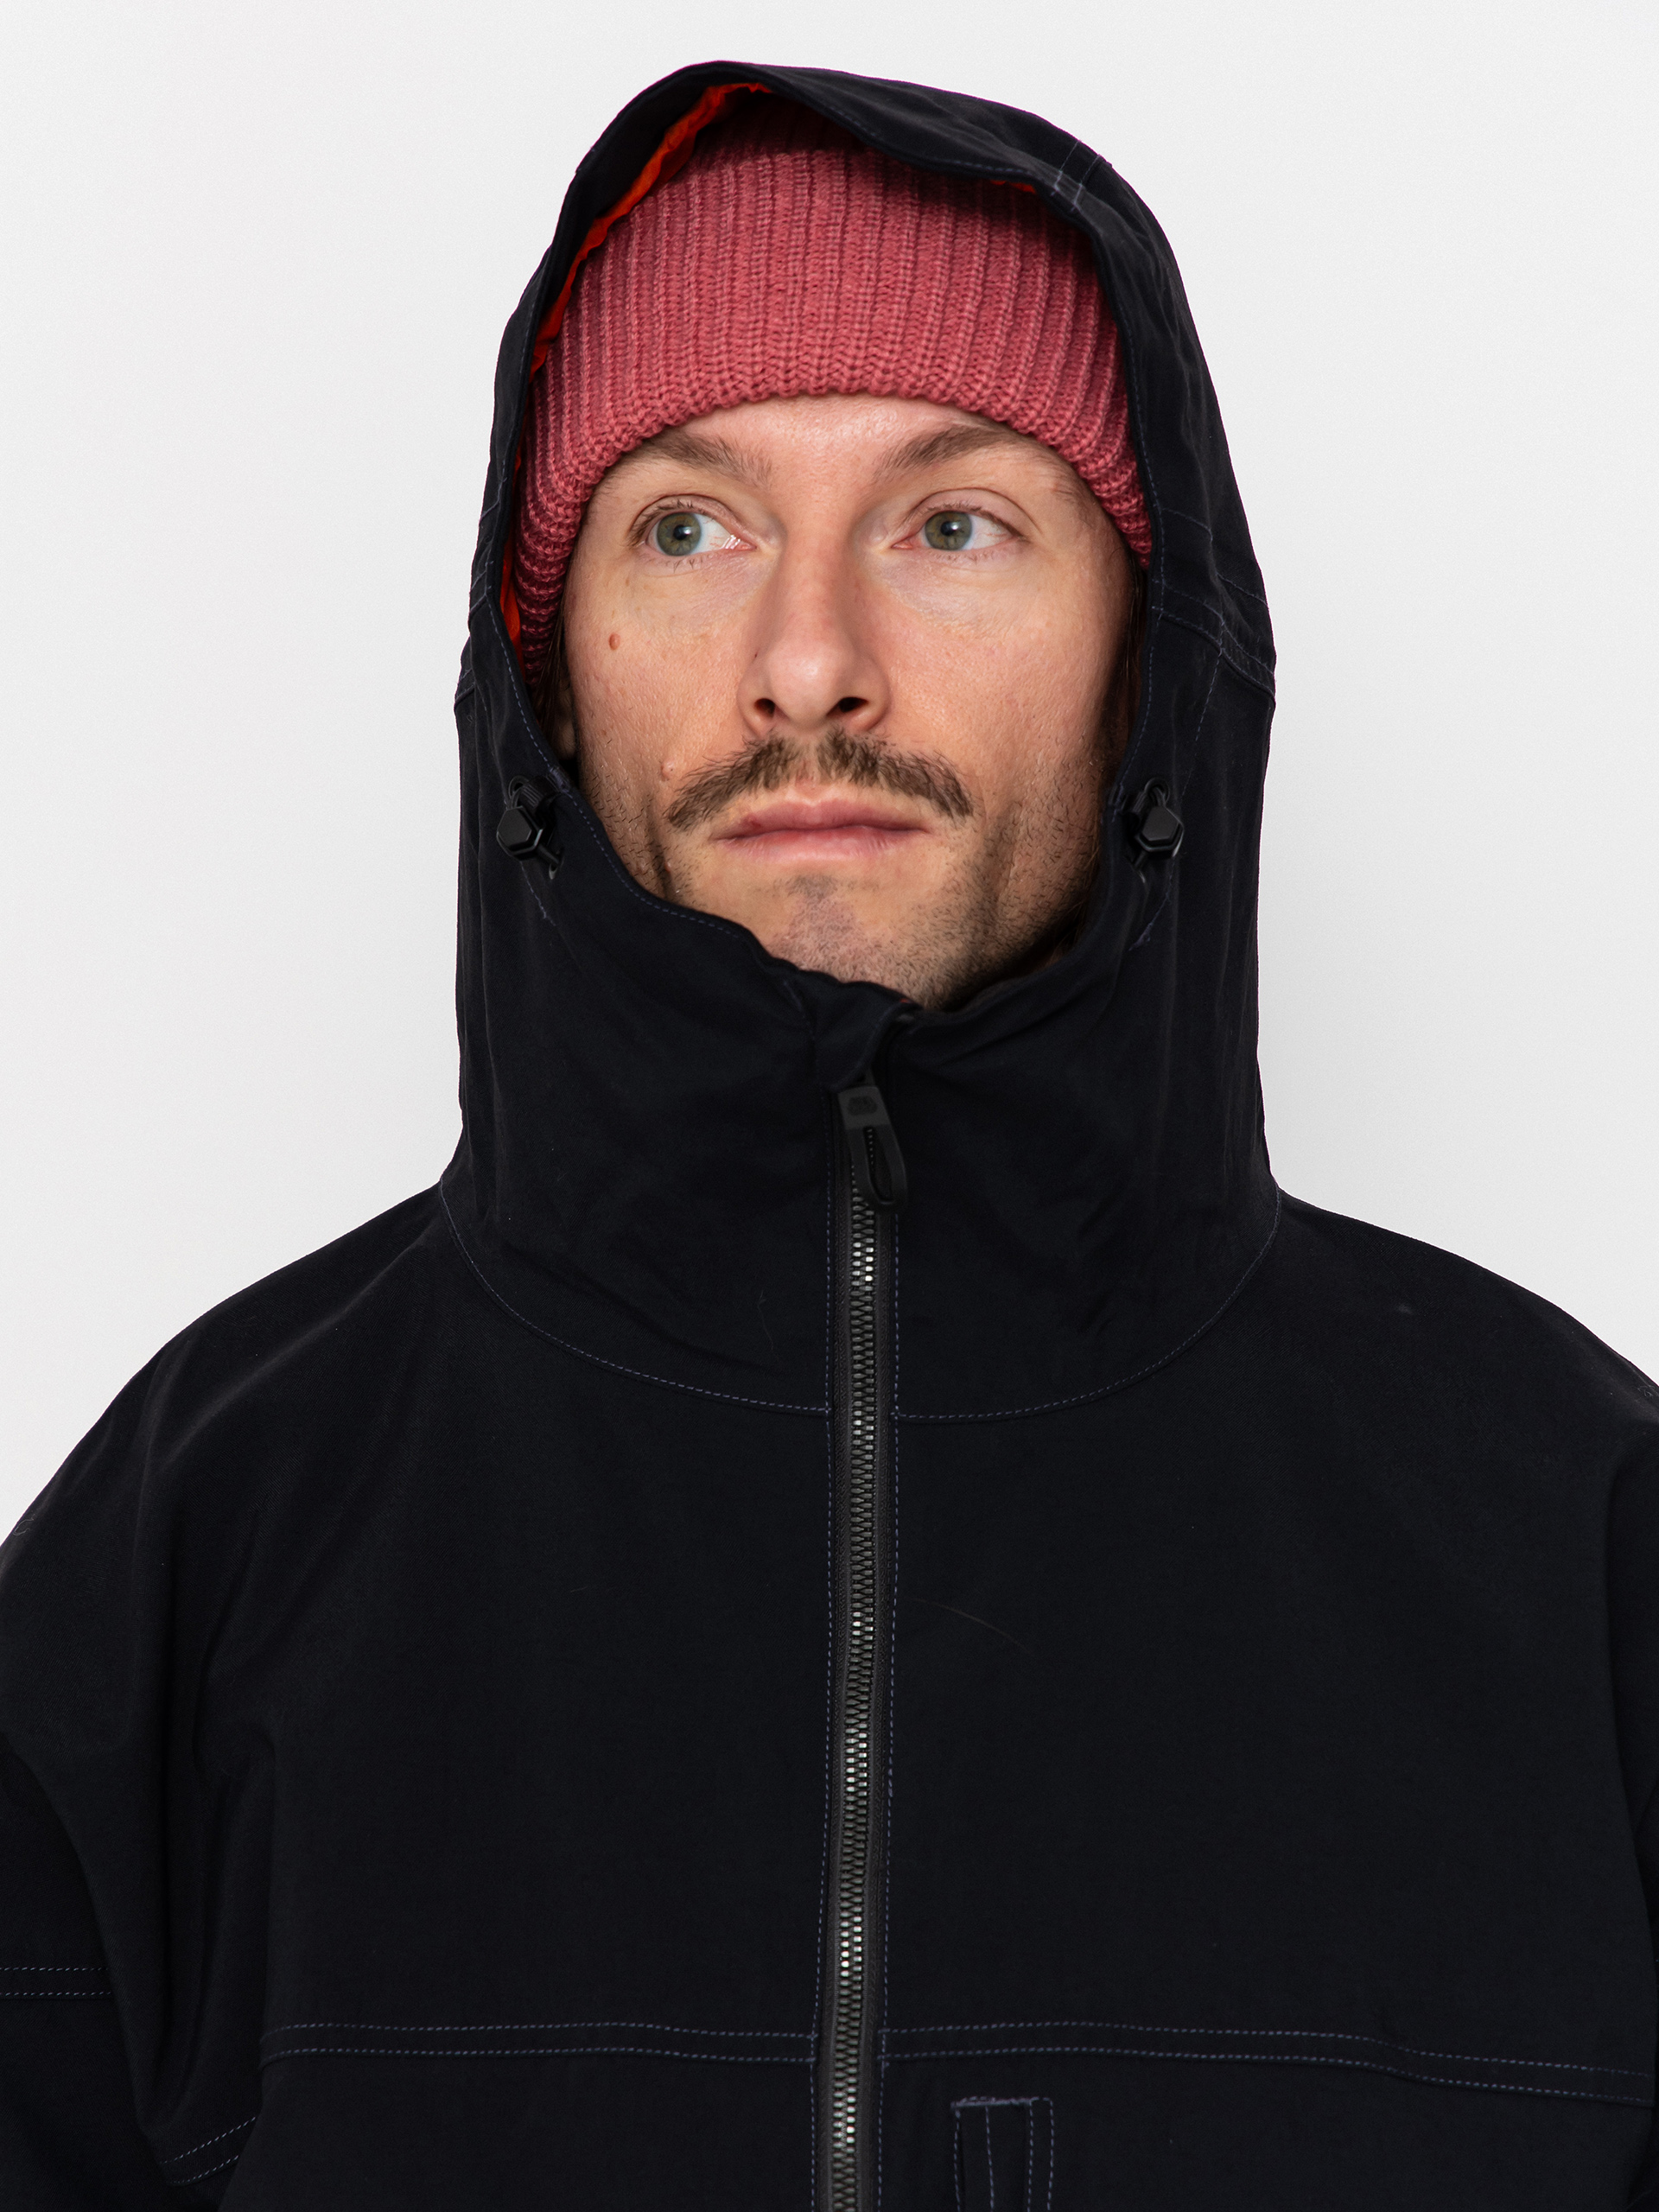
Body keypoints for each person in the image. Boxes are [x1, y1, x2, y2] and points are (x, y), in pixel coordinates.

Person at [2, 60, 1656, 2212]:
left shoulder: (1580, 1555)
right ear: (549, 666)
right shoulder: (180, 1572)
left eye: (952, 523)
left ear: (1149, 659)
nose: (807, 666)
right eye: (689, 527)